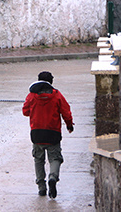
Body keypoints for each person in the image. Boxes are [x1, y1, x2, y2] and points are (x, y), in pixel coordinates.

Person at [22, 71, 74, 199]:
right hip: (53, 133)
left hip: (37, 133)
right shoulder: (57, 95)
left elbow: (25, 111)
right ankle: (53, 177)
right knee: (55, 158)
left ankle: (41, 187)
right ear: (51, 82)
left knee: (38, 159)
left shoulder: (32, 95)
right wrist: (69, 125)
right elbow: (66, 111)